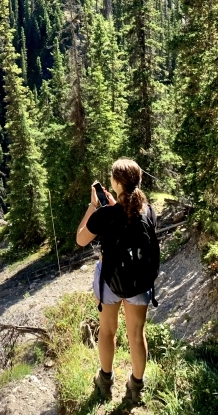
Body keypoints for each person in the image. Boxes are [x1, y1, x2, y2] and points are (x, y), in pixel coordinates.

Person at [76, 158, 159, 404]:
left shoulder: (105, 214)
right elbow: (133, 221)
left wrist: (93, 206)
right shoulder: (149, 211)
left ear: (114, 183)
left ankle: (105, 381)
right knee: (136, 334)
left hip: (110, 280)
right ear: (138, 181)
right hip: (139, 282)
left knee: (108, 331)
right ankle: (135, 389)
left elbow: (81, 240)